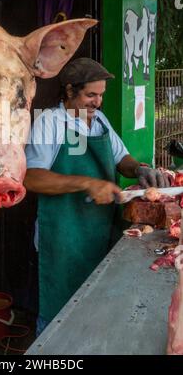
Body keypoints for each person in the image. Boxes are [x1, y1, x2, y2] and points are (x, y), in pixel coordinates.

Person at [24, 57, 170, 336]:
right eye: (91, 95)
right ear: (69, 91)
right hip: (63, 237)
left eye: (100, 95)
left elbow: (121, 158)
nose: (98, 102)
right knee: (58, 318)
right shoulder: (50, 123)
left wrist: (140, 169)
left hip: (100, 230)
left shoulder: (98, 120)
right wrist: (87, 183)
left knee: (94, 310)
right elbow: (31, 176)